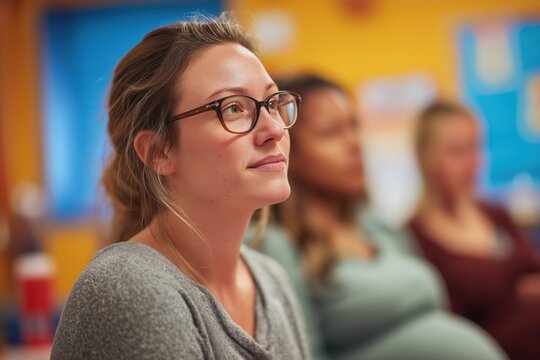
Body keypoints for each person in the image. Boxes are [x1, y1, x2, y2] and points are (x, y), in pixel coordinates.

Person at [51, 14, 308, 360]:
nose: (274, 129)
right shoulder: (130, 290)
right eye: (233, 108)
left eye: (273, 103)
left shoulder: (270, 279)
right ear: (158, 152)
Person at [253, 75, 506, 360]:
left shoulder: (377, 226)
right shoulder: (277, 246)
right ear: (290, 151)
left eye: (355, 126)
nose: (355, 143)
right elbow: (303, 353)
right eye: (332, 133)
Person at [408, 101, 540, 360]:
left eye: (476, 148)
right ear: (426, 159)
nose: (474, 164)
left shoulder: (495, 214)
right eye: (458, 152)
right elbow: (450, 330)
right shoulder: (414, 239)